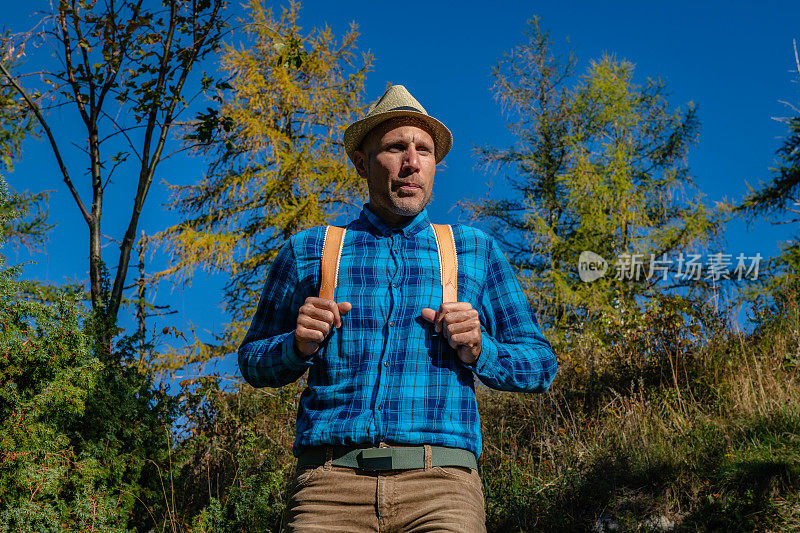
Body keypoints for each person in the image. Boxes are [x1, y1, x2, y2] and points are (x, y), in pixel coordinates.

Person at [239, 84, 557, 532]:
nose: (412, 162)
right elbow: (252, 362)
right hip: (328, 491)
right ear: (362, 162)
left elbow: (541, 364)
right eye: (395, 147)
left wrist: (482, 349)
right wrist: (296, 346)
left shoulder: (474, 251)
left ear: (434, 165)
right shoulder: (311, 249)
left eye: (424, 150)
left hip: (442, 489)